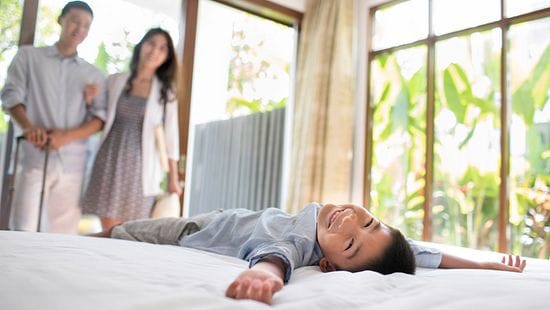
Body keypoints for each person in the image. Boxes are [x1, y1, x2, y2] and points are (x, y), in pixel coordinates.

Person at [89, 202, 527, 305]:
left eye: (352, 241)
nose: (350, 222)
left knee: (122, 232)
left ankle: (96, 236)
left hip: (194, 233)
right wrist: (484, 262)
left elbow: (278, 251)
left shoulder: (306, 242)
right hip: (223, 214)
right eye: (369, 220)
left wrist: (269, 274)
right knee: (115, 229)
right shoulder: (329, 221)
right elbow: (417, 251)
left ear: (329, 266)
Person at [1, 1, 106, 234]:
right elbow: (10, 96)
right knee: (23, 230)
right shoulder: (28, 57)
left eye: (86, 25)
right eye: (75, 21)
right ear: (61, 20)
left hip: (72, 165)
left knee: (63, 236)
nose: (80, 29)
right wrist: (29, 128)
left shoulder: (94, 75)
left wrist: (66, 136)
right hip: (34, 157)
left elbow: (99, 119)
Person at [82, 28, 180, 231]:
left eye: (162, 48)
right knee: (107, 227)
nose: (155, 51)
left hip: (140, 167)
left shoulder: (165, 92)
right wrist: (90, 100)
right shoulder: (115, 81)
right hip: (109, 158)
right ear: (141, 46)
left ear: (167, 57)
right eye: (151, 43)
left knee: (131, 230)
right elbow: (99, 116)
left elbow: (171, 138)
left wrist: (173, 179)